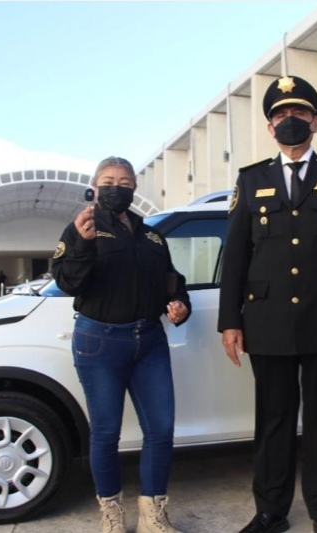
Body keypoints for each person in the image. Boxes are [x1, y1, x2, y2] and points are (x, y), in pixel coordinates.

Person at [217, 75, 317, 533]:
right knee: (273, 420)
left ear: (316, 121)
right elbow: (236, 258)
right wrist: (231, 321)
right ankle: (271, 511)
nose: (290, 121)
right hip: (267, 321)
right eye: (281, 115)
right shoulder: (251, 180)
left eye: (299, 114)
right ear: (270, 127)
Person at [52, 156, 191, 533]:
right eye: (109, 180)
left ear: (133, 188)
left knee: (161, 430)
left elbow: (171, 280)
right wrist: (81, 244)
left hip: (148, 341)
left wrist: (180, 304)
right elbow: (67, 282)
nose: (118, 187)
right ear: (95, 187)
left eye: (125, 181)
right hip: (99, 343)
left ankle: (153, 516)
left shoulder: (151, 236)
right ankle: (111, 514)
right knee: (106, 433)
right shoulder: (82, 227)